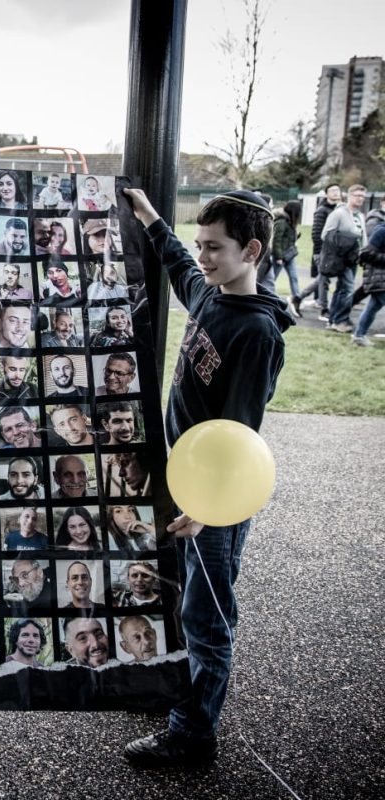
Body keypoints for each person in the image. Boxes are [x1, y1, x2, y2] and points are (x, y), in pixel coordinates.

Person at [121, 186, 291, 768]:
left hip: (215, 499)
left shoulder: (257, 333)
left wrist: (210, 506)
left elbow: (240, 437)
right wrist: (149, 217)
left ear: (253, 251)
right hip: (186, 485)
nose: (203, 257)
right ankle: (178, 693)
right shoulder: (211, 297)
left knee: (207, 615)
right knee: (180, 597)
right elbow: (176, 265)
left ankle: (193, 735)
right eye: (201, 244)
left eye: (214, 248)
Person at [322, 184, 369, 333]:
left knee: (342, 289)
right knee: (348, 289)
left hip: (353, 258)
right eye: (357, 195)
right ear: (349, 196)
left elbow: (363, 238)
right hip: (340, 257)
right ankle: (341, 320)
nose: (360, 199)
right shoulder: (339, 213)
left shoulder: (360, 216)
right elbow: (326, 235)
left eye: (362, 196)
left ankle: (333, 320)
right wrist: (343, 245)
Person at [298, 183, 342, 315]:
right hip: (323, 251)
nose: (336, 193)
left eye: (338, 190)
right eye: (332, 190)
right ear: (327, 194)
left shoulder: (340, 210)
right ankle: (323, 308)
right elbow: (316, 233)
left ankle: (300, 298)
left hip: (336, 252)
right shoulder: (322, 210)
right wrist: (321, 252)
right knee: (323, 279)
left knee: (323, 279)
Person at [256, 199, 302, 315]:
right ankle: (262, 295)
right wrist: (279, 257)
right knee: (270, 279)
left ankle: (296, 298)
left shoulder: (291, 222)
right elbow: (277, 240)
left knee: (294, 277)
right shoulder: (282, 222)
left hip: (289, 255)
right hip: (280, 256)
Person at [351, 225, 385, 346]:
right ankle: (359, 336)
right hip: (378, 276)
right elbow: (366, 254)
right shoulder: (381, 231)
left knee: (373, 306)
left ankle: (359, 336)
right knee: (373, 306)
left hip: (379, 277)